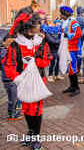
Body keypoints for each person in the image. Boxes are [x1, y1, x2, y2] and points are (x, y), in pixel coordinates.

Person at [3, 12, 52, 150]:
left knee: (36, 109)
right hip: (23, 81)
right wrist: (17, 78)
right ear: (29, 26)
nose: (40, 25)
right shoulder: (15, 44)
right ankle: (31, 134)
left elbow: (47, 58)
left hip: (38, 80)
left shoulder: (41, 41)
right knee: (26, 108)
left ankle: (36, 138)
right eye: (37, 23)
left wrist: (34, 62)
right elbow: (9, 65)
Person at [60, 6, 82, 97]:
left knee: (72, 68)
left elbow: (79, 33)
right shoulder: (64, 22)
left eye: (62, 14)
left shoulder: (73, 22)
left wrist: (67, 35)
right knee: (69, 68)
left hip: (72, 49)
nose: (60, 15)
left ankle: (76, 88)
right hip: (66, 48)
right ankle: (72, 86)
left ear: (66, 14)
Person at [0, 30, 22, 121]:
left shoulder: (9, 50)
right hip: (9, 79)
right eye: (11, 39)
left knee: (16, 96)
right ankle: (12, 114)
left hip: (12, 78)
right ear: (5, 41)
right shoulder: (3, 51)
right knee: (13, 97)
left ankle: (16, 112)